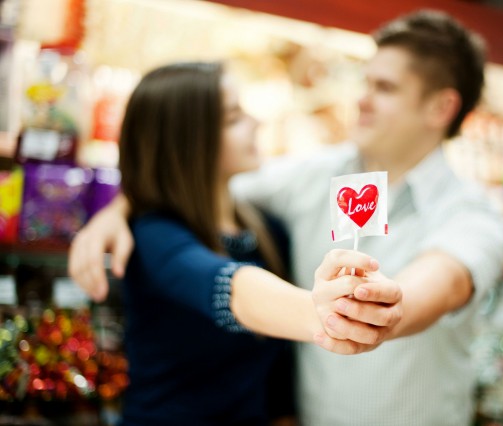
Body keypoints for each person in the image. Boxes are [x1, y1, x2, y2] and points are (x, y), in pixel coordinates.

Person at [69, 9, 503, 425]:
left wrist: (386, 311)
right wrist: (120, 208)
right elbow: (191, 180)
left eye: (385, 88)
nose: (362, 99)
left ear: (441, 108)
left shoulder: (473, 213)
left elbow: (444, 281)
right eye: (365, 82)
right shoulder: (312, 176)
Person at [94, 61, 402, 426]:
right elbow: (228, 287)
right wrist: (321, 311)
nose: (256, 122)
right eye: (234, 117)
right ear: (189, 140)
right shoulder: (154, 236)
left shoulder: (267, 228)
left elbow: (278, 373)